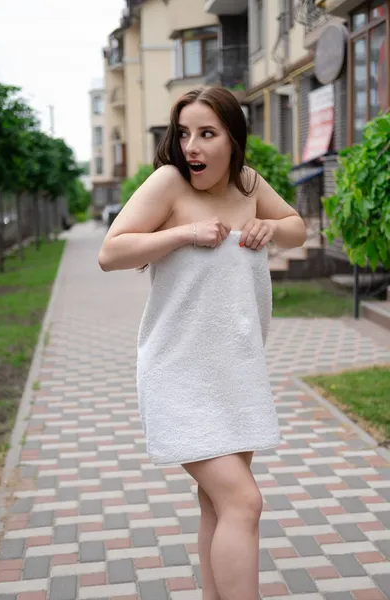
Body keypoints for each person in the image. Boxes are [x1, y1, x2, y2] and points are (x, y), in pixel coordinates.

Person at [98, 87, 306, 600]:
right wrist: (183, 233)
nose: (191, 146)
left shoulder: (248, 184)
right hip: (178, 373)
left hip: (237, 372)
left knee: (218, 504)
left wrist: (267, 227)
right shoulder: (169, 183)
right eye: (185, 133)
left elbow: (296, 228)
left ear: (233, 141)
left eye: (207, 134)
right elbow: (110, 252)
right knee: (245, 503)